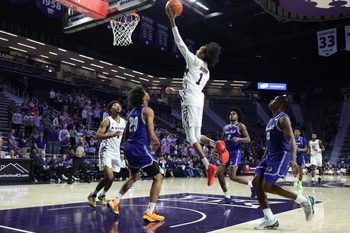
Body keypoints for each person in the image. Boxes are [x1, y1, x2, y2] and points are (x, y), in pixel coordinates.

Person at [165, 7, 226, 186]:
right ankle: (217, 144)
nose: (197, 48)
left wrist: (172, 19)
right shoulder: (206, 72)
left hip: (190, 101)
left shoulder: (193, 60)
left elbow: (179, 42)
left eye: (200, 48)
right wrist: (176, 92)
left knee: (190, 138)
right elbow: (193, 86)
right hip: (198, 100)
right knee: (198, 136)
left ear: (203, 53)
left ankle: (208, 166)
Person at [252, 95, 315, 230]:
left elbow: (291, 138)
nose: (270, 101)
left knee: (267, 186)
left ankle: (304, 201)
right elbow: (269, 143)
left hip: (281, 155)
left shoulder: (283, 118)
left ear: (280, 103)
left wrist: (293, 159)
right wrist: (263, 159)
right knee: (256, 183)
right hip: (268, 155)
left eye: (273, 99)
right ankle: (270, 219)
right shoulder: (270, 120)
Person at [108, 86, 164, 222]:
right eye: (146, 92)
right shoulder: (148, 110)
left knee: (135, 176)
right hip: (139, 147)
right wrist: (157, 143)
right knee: (159, 176)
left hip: (129, 147)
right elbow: (151, 133)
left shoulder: (131, 112)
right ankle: (150, 211)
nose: (148, 93)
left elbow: (126, 134)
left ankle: (116, 200)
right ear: (142, 96)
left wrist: (127, 149)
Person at [88, 100, 126, 207]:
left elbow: (125, 138)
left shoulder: (124, 122)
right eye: (115, 105)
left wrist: (122, 151)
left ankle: (102, 195)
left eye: (119, 105)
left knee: (112, 177)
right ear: (110, 109)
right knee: (109, 176)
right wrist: (112, 135)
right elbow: (97, 136)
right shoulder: (107, 121)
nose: (118, 107)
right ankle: (93, 194)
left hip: (116, 152)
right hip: (106, 150)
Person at [217, 107, 255, 204]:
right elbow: (221, 141)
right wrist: (214, 150)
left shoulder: (240, 126)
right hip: (226, 152)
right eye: (230, 114)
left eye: (233, 113)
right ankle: (227, 197)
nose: (231, 115)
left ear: (237, 116)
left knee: (232, 177)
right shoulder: (225, 128)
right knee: (219, 172)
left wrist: (239, 139)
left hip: (236, 152)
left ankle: (251, 185)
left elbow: (248, 139)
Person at [294, 128, 307, 193]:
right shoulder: (291, 139)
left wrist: (300, 150)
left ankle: (300, 183)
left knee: (301, 170)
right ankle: (295, 179)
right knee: (295, 170)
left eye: (297, 131)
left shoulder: (303, 139)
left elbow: (306, 149)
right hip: (293, 156)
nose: (295, 132)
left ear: (299, 133)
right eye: (294, 131)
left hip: (300, 156)